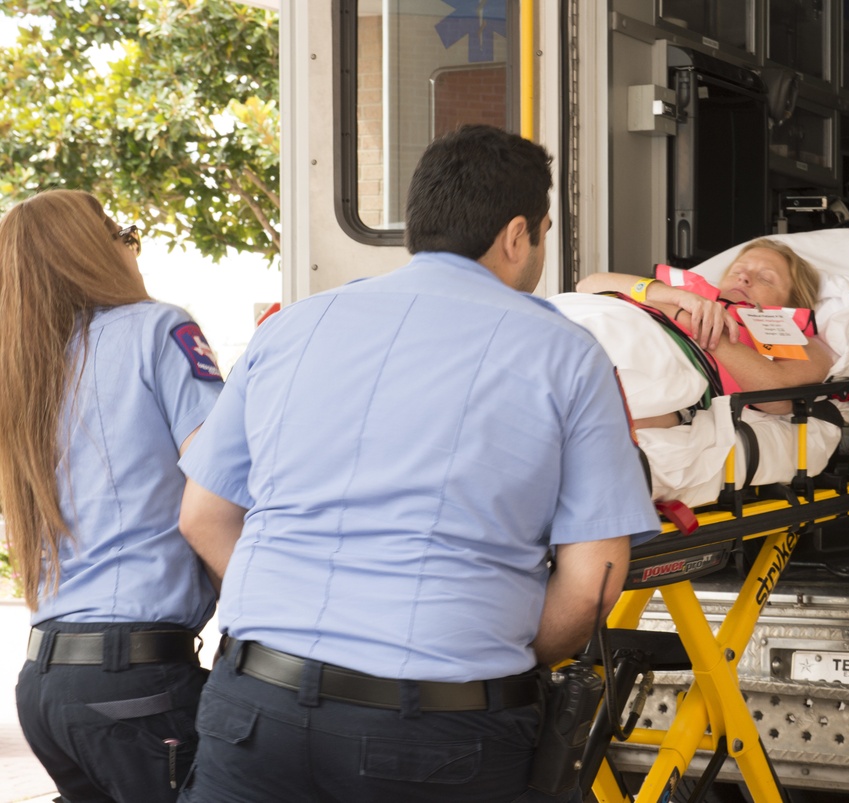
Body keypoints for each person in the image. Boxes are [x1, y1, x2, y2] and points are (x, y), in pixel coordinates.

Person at [174, 124, 661, 803]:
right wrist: (505, 649)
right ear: (518, 235)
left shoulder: (291, 328)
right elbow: (592, 584)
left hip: (256, 711)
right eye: (544, 235)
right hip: (438, 731)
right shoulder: (565, 353)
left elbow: (202, 515)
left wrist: (293, 613)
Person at [0, 190, 224, 802]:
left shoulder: (22, 369)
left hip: (44, 683)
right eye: (126, 233)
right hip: (135, 680)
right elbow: (224, 483)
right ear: (92, 249)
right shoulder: (158, 327)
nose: (133, 248)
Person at [574, 238, 832, 423]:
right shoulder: (684, 295)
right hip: (595, 322)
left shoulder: (794, 337)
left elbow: (777, 397)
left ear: (792, 301)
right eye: (738, 271)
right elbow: (587, 285)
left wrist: (692, 323)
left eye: (765, 278)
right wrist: (672, 297)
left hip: (654, 359)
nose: (743, 278)